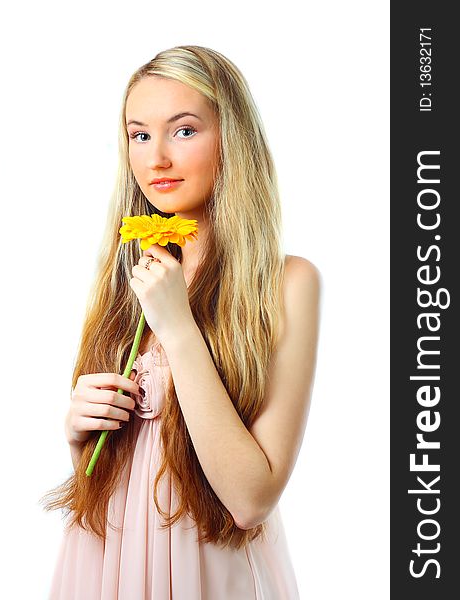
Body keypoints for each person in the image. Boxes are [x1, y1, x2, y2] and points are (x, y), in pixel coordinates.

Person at [41, 45, 320, 599]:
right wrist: (80, 435)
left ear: (231, 139)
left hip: (206, 565)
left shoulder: (288, 282)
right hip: (103, 559)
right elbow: (112, 477)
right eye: (139, 135)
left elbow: (250, 499)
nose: (157, 159)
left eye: (184, 130)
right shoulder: (130, 272)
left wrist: (178, 326)